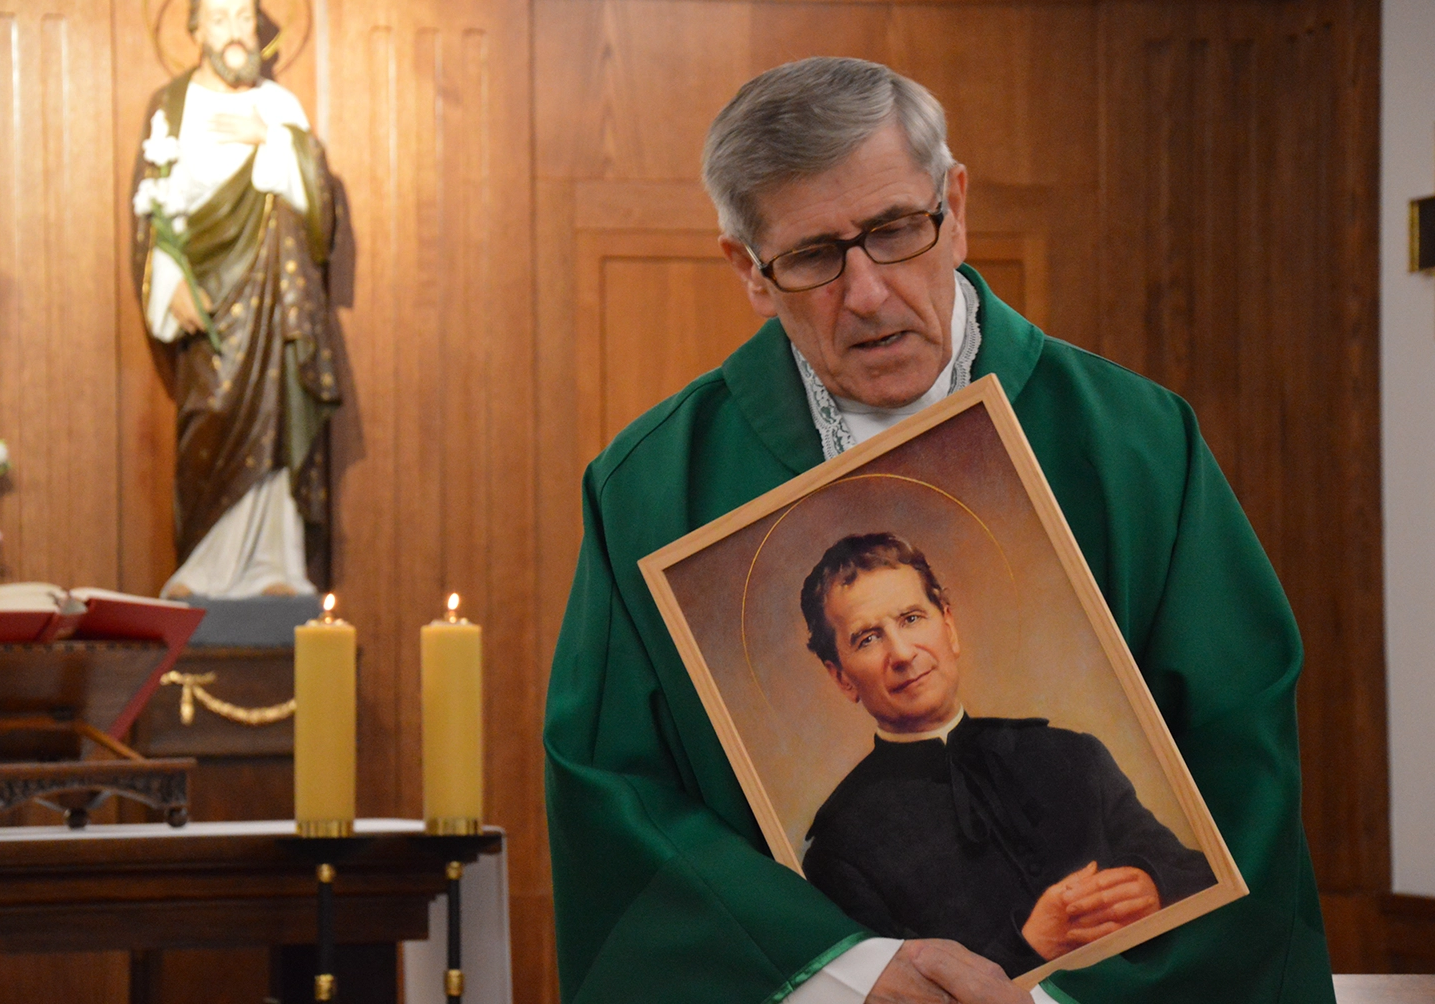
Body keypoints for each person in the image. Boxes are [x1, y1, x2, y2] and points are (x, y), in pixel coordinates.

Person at [544, 56, 1335, 1004]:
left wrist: (1057, 998)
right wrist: (849, 973)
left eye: (894, 231)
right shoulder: (650, 490)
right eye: (812, 258)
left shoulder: (1136, 444)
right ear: (749, 272)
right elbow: (616, 797)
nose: (868, 294)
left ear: (953, 208)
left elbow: (1241, 758)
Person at [798, 532, 1216, 978]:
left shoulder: (1072, 754)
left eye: (912, 618)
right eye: (867, 639)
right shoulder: (839, 849)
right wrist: (1028, 947)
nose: (901, 653)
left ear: (949, 627)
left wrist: (1153, 885)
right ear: (841, 677)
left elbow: (1199, 876)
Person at [130, 0, 340, 599]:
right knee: (213, 411)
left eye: (244, 17)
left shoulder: (278, 107)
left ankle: (276, 567)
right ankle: (203, 569)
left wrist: (271, 138)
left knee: (275, 415)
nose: (234, 32)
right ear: (196, 30)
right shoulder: (170, 106)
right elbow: (151, 211)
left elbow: (317, 209)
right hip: (205, 299)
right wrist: (168, 282)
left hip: (272, 300)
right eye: (219, 19)